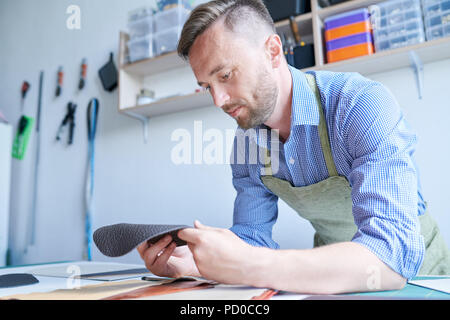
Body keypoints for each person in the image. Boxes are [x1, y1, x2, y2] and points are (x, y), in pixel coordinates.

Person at [137, 0, 450, 294]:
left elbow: (390, 258)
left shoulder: (360, 104)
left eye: (225, 75)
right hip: (329, 277)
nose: (218, 100)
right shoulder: (247, 143)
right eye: (207, 86)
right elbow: (252, 239)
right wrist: (195, 264)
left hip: (421, 279)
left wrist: (247, 264)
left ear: (273, 52)